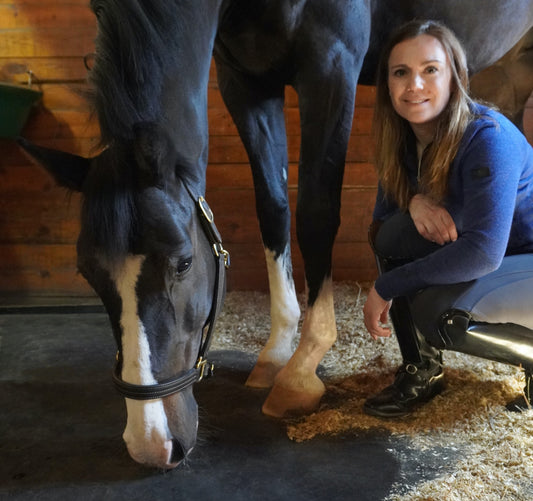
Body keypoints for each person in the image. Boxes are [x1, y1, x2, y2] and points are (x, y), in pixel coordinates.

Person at [363, 19, 533, 418]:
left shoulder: (488, 136)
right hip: (501, 255)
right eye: (400, 72)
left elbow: (481, 253)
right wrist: (415, 202)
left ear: (456, 77)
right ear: (387, 85)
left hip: (523, 256)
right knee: (393, 237)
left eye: (430, 70)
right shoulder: (402, 140)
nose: (414, 85)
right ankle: (421, 371)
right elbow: (380, 228)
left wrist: (386, 286)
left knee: (443, 319)